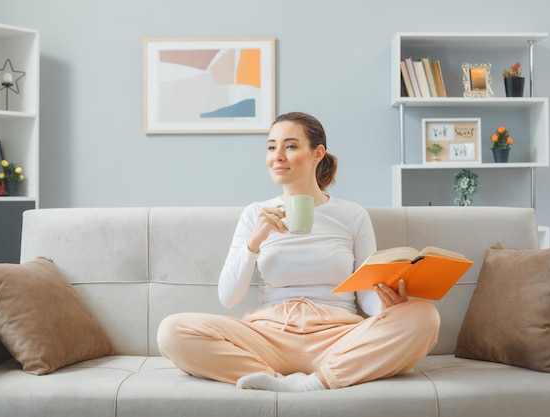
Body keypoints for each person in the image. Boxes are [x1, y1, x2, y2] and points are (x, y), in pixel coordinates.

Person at [157, 112, 440, 392]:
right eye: (271, 147)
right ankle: (278, 380)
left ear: (317, 153)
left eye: (290, 146)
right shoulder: (255, 213)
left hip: (337, 336)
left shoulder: (352, 215)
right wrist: (254, 241)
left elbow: (365, 294)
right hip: (269, 334)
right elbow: (229, 298)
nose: (277, 156)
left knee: (424, 316)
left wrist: (386, 307)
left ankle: (315, 383)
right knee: (172, 331)